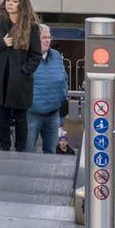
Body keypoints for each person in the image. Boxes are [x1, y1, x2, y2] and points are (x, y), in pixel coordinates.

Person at [0, 0, 42, 151]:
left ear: (22, 4)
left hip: (19, 81)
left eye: (15, 1)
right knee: (2, 117)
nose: (10, 3)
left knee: (20, 118)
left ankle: (20, 150)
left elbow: (36, 55)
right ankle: (4, 149)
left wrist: (23, 72)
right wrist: (2, 43)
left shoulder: (32, 27)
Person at [26, 24, 70, 154]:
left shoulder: (56, 55)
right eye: (43, 37)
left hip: (53, 115)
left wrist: (62, 97)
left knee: (51, 153)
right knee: (26, 152)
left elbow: (64, 78)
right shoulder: (26, 57)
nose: (47, 40)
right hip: (31, 114)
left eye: (49, 37)